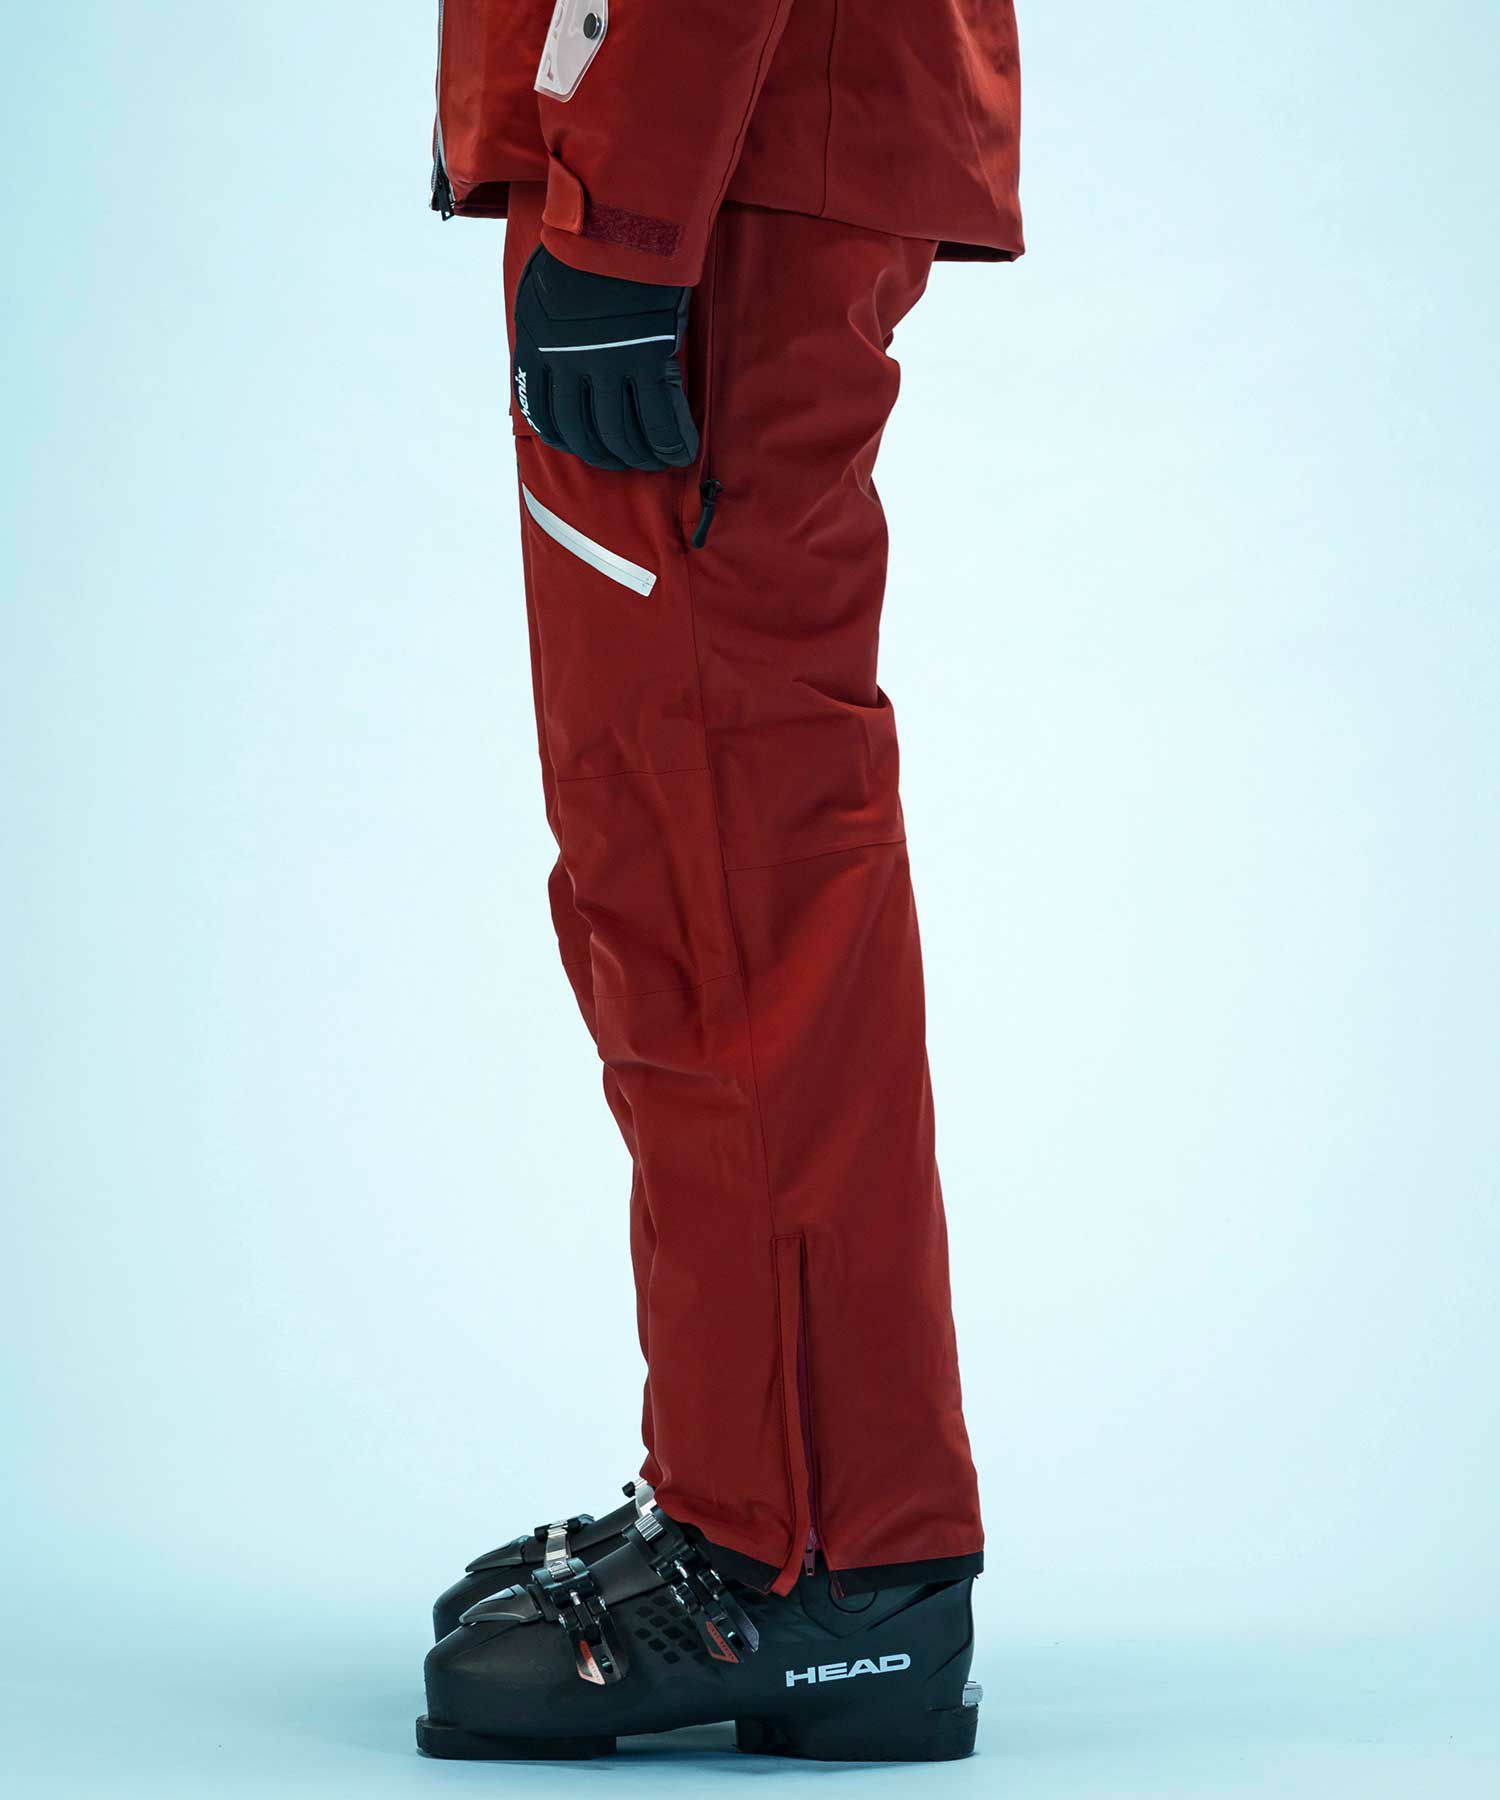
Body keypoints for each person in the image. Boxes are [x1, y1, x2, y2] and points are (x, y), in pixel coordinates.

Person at [416, 0, 1024, 1765]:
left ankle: (807, 1561)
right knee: (699, 859)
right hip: (702, 149)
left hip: (705, 166)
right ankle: (780, 1511)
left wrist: (622, 198)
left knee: (721, 876)